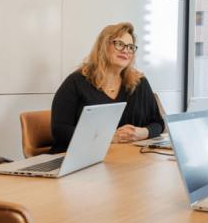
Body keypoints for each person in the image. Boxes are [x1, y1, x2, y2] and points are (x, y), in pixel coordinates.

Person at [51, 22, 164, 153]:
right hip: (78, 158)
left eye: (130, 47)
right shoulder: (76, 82)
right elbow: (60, 130)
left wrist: (142, 133)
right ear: (103, 46)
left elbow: (158, 123)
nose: (126, 50)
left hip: (123, 159)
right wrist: (108, 137)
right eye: (119, 44)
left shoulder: (139, 83)